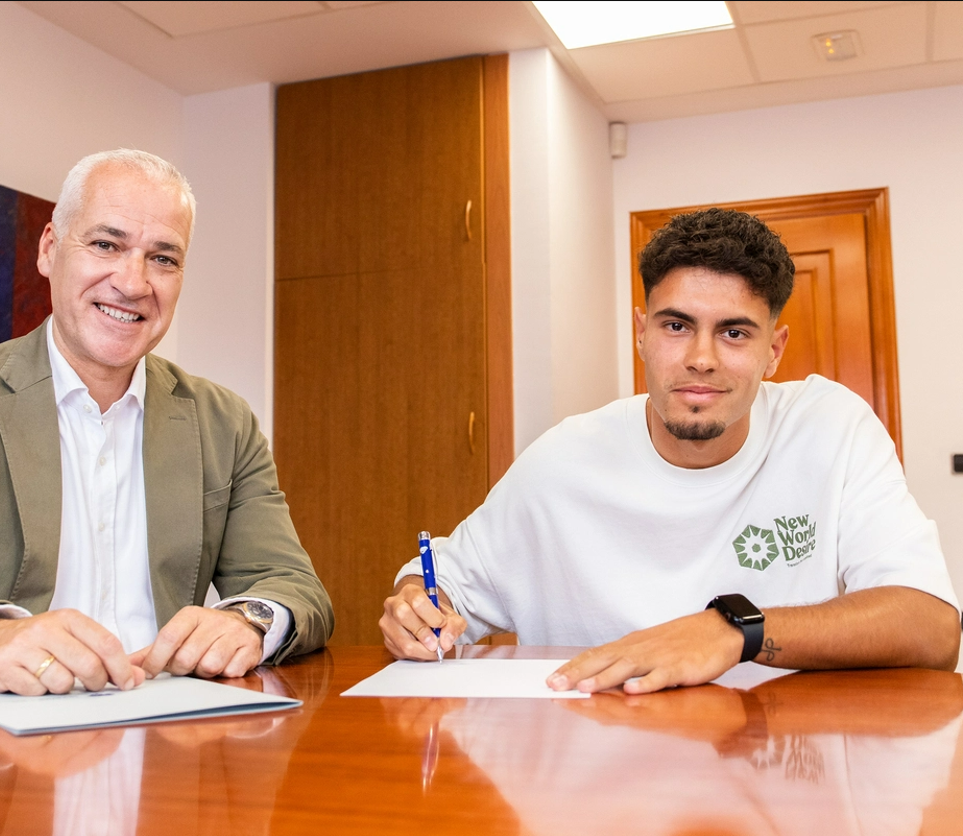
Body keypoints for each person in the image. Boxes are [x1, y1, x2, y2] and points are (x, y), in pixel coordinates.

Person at [0, 149, 333, 694]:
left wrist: (249, 620)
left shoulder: (225, 423)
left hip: (169, 743)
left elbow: (296, 589)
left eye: (163, 258)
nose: (132, 283)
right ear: (50, 249)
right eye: (106, 244)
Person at [380, 207, 960, 694]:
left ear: (775, 350)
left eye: (734, 332)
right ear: (641, 332)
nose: (701, 358)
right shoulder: (561, 460)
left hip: (777, 768)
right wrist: (415, 608)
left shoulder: (831, 428)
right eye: (677, 326)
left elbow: (932, 626)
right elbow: (441, 586)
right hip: (603, 781)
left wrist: (735, 633)